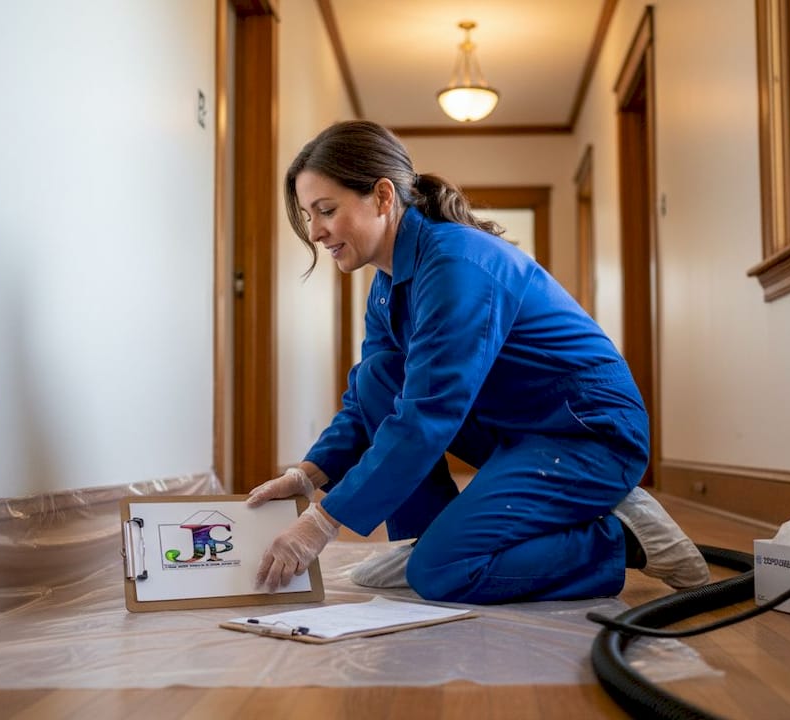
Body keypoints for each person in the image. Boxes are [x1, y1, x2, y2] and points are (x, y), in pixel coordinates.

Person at [248, 120, 708, 604]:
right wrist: (308, 474)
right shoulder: (387, 283)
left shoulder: (455, 265)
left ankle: (621, 538)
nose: (316, 231)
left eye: (326, 210)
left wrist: (322, 522)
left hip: (587, 433)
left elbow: (428, 412)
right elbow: (370, 400)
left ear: (383, 197)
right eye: (309, 215)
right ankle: (426, 537)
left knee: (444, 572)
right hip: (520, 426)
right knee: (375, 378)